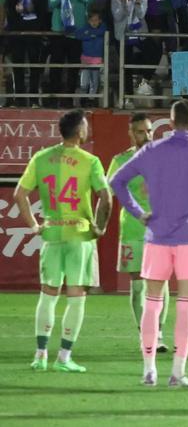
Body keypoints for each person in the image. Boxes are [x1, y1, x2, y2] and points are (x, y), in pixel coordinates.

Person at [109, 100, 188, 387]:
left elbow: (117, 182)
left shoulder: (152, 151)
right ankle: (178, 372)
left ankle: (148, 370)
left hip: (157, 236)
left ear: (169, 122)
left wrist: (139, 213)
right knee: (186, 304)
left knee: (152, 301)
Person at [15, 110, 111, 373]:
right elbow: (106, 197)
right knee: (76, 296)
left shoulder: (41, 158)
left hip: (52, 233)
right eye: (86, 126)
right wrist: (99, 228)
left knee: (48, 294)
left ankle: (40, 355)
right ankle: (64, 358)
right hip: (79, 236)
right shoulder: (90, 161)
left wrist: (35, 225)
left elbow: (20, 194)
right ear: (79, 131)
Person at [108, 114, 168, 354]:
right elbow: (109, 190)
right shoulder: (121, 160)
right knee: (138, 283)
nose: (148, 135)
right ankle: (144, 333)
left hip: (161, 230)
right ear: (131, 133)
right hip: (133, 229)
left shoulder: (165, 157)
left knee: (159, 281)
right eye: (142, 131)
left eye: (150, 130)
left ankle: (159, 333)